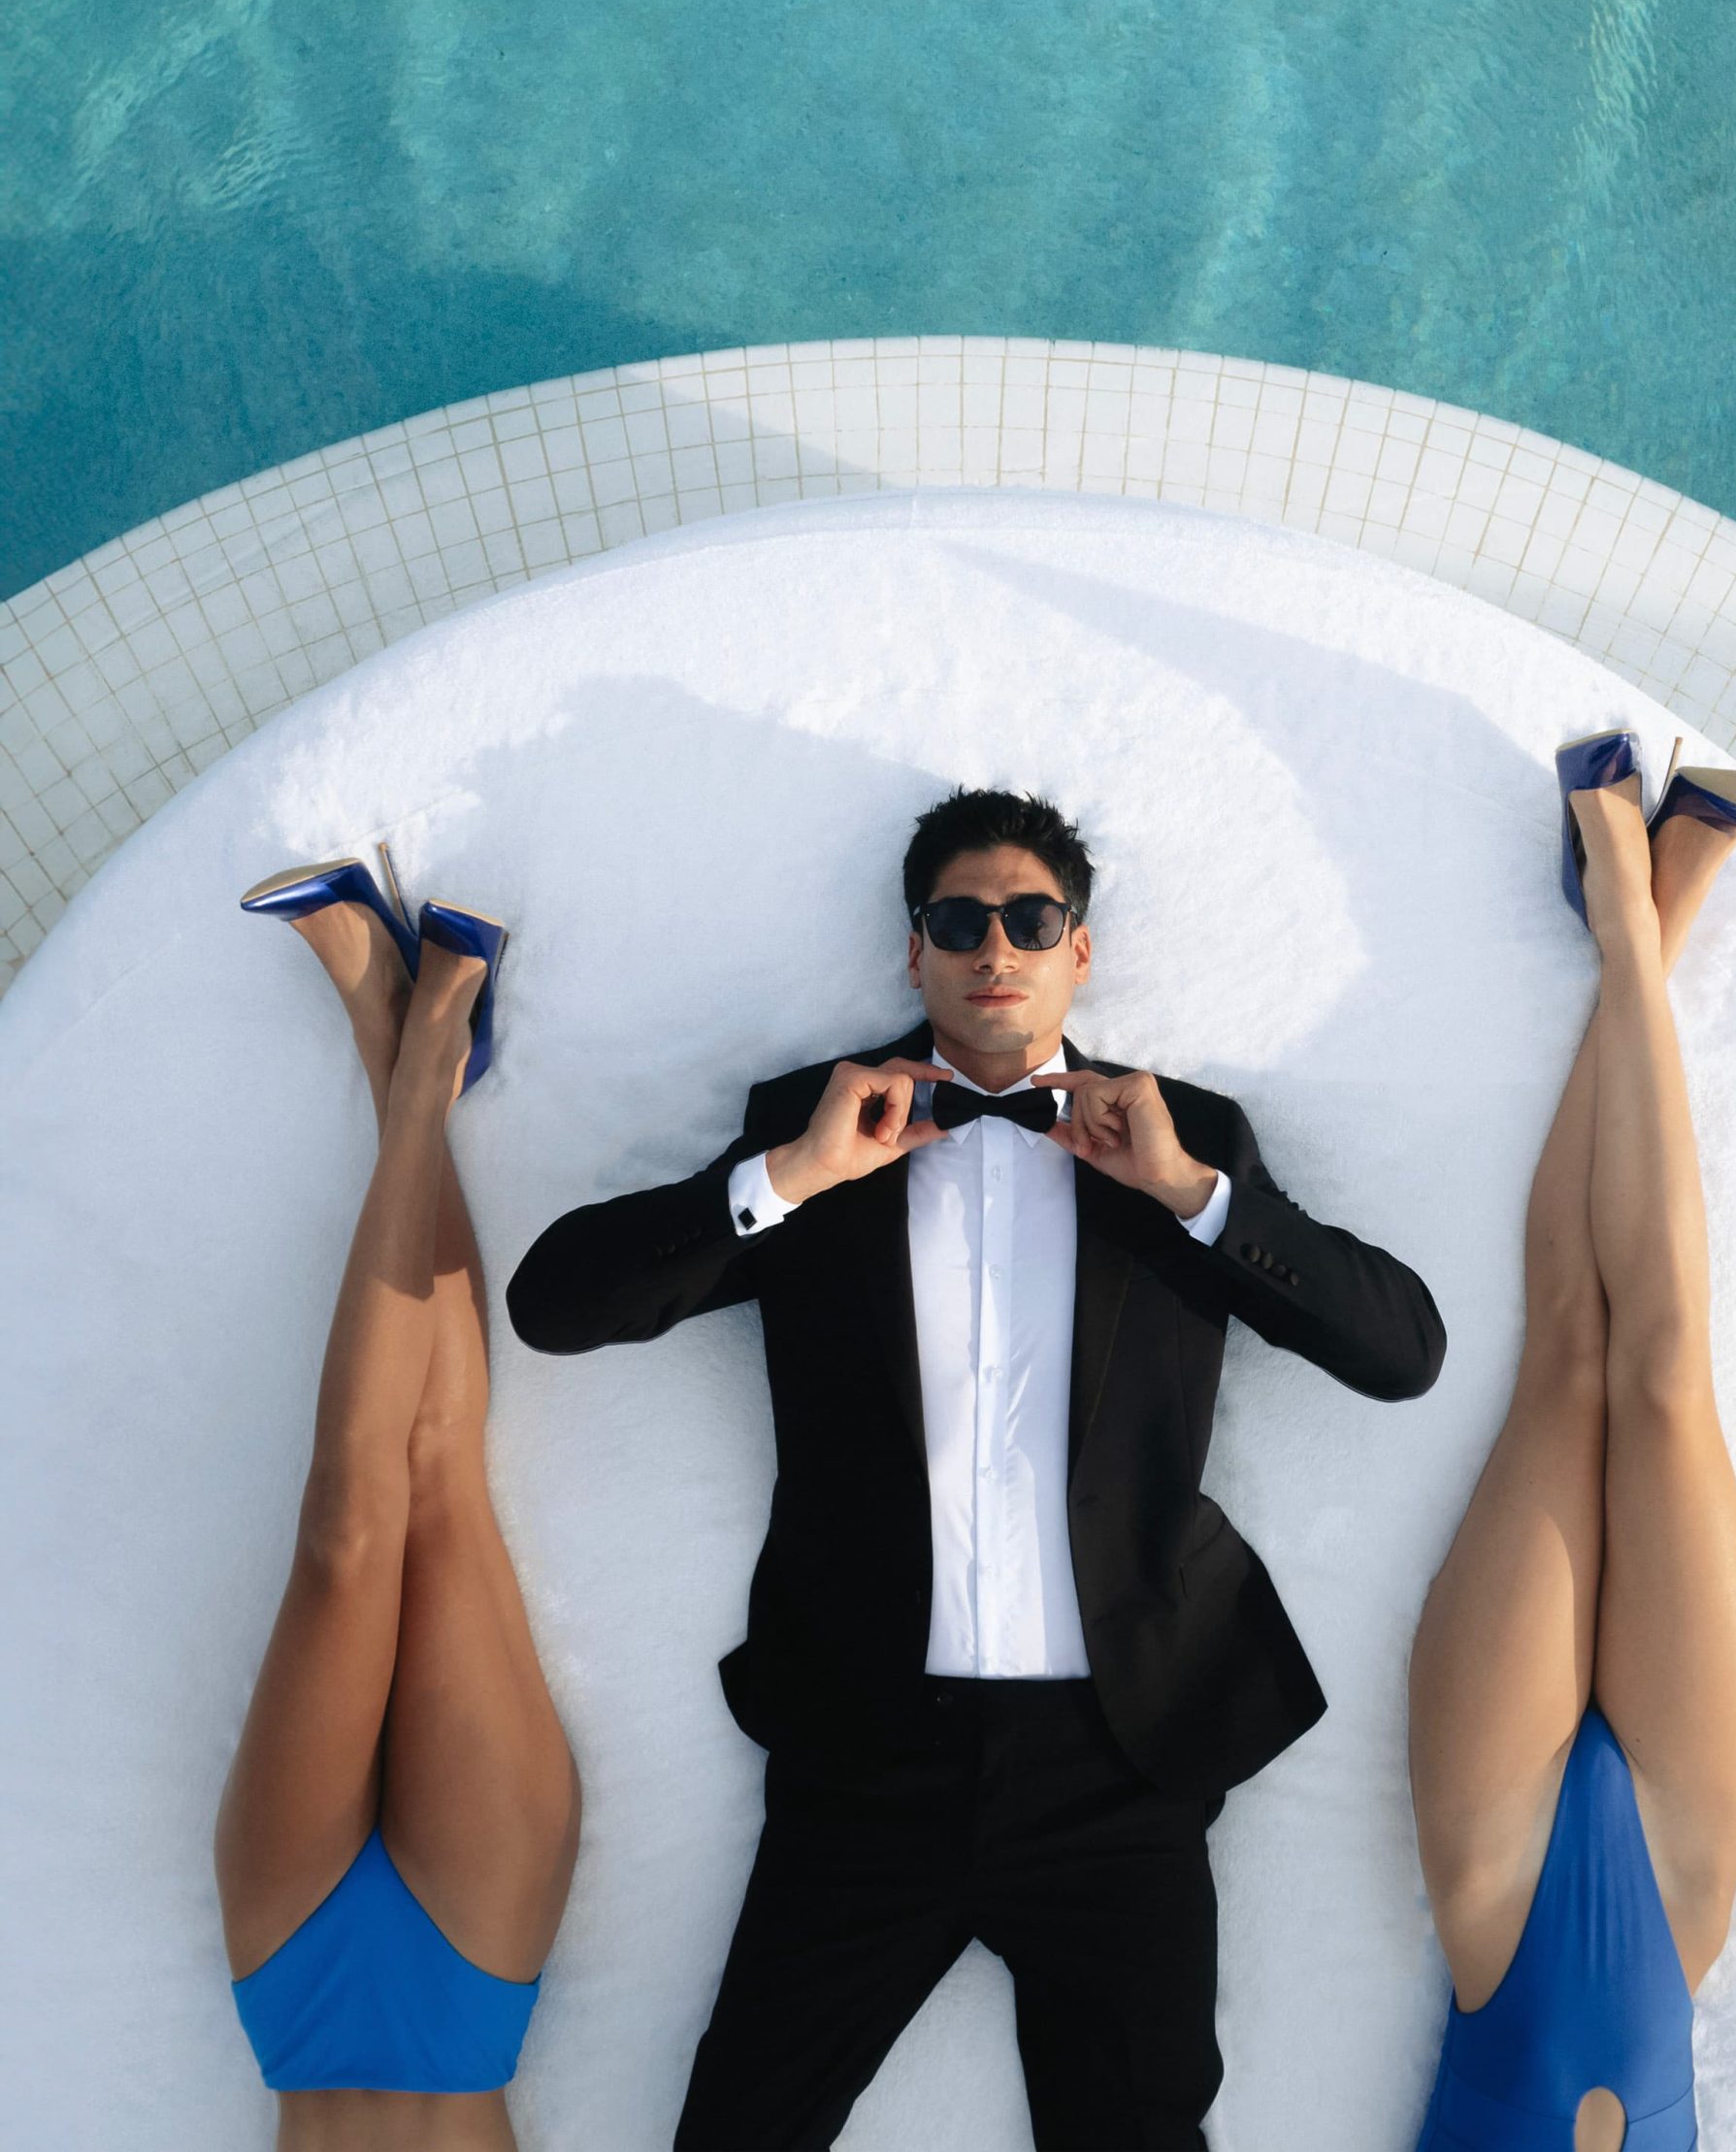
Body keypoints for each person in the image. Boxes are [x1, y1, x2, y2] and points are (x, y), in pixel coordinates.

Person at [508, 785, 1446, 2152]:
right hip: (869, 1754)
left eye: (1029, 917)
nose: (991, 943)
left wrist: (1196, 1197)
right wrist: (786, 1177)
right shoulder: (816, 1125)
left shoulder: (1185, 1138)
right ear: (915, 953)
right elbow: (554, 1306)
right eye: (958, 918)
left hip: (1121, 1764)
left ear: (1079, 952)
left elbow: (1401, 1352)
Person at [1406, 735, 1736, 2152]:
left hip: (1498, 1901)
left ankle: (1634, 904)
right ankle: (1647, 916)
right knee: (1671, 1377)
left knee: (1570, 1353)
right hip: (1678, 1903)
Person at [215, 854, 582, 2149]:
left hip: (297, 1991)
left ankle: (409, 1046)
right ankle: (417, 1053)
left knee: (339, 1535)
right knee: (432, 1475)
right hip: (464, 1978)